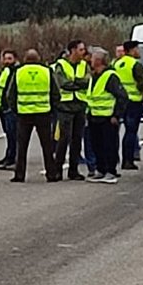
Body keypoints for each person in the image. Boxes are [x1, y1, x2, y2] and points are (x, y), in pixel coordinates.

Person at [5, 49, 62, 183]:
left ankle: (20, 175)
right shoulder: (47, 71)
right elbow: (56, 93)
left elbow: (10, 94)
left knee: (22, 147)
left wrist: (16, 110)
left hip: (24, 114)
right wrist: (52, 110)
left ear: (25, 58)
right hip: (43, 113)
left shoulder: (18, 72)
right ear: (38, 58)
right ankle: (51, 174)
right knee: (47, 146)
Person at [86, 49, 130, 184]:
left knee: (109, 145)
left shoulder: (110, 76)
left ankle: (111, 171)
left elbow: (122, 97)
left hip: (107, 118)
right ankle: (101, 169)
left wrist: (116, 115)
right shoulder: (94, 76)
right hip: (94, 117)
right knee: (96, 145)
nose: (90, 61)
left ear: (99, 61)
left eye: (93, 58)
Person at [52, 40, 91, 180]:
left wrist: (75, 82)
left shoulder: (84, 65)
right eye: (81, 50)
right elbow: (63, 84)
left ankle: (73, 170)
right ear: (73, 50)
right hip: (65, 106)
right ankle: (57, 169)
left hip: (80, 105)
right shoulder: (60, 65)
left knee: (76, 139)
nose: (83, 53)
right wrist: (77, 83)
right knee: (63, 139)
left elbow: (88, 82)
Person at [114, 41, 143, 170]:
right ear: (132, 50)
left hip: (120, 101)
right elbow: (142, 84)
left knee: (116, 132)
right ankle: (128, 159)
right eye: (137, 49)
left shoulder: (116, 64)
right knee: (131, 132)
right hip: (134, 101)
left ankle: (116, 158)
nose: (139, 51)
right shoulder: (136, 65)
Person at [0, 50, 20, 170]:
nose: (7, 61)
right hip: (4, 107)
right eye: (5, 59)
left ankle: (12, 158)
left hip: (12, 108)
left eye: (10, 59)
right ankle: (9, 156)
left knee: (13, 135)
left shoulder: (15, 71)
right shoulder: (6, 71)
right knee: (9, 134)